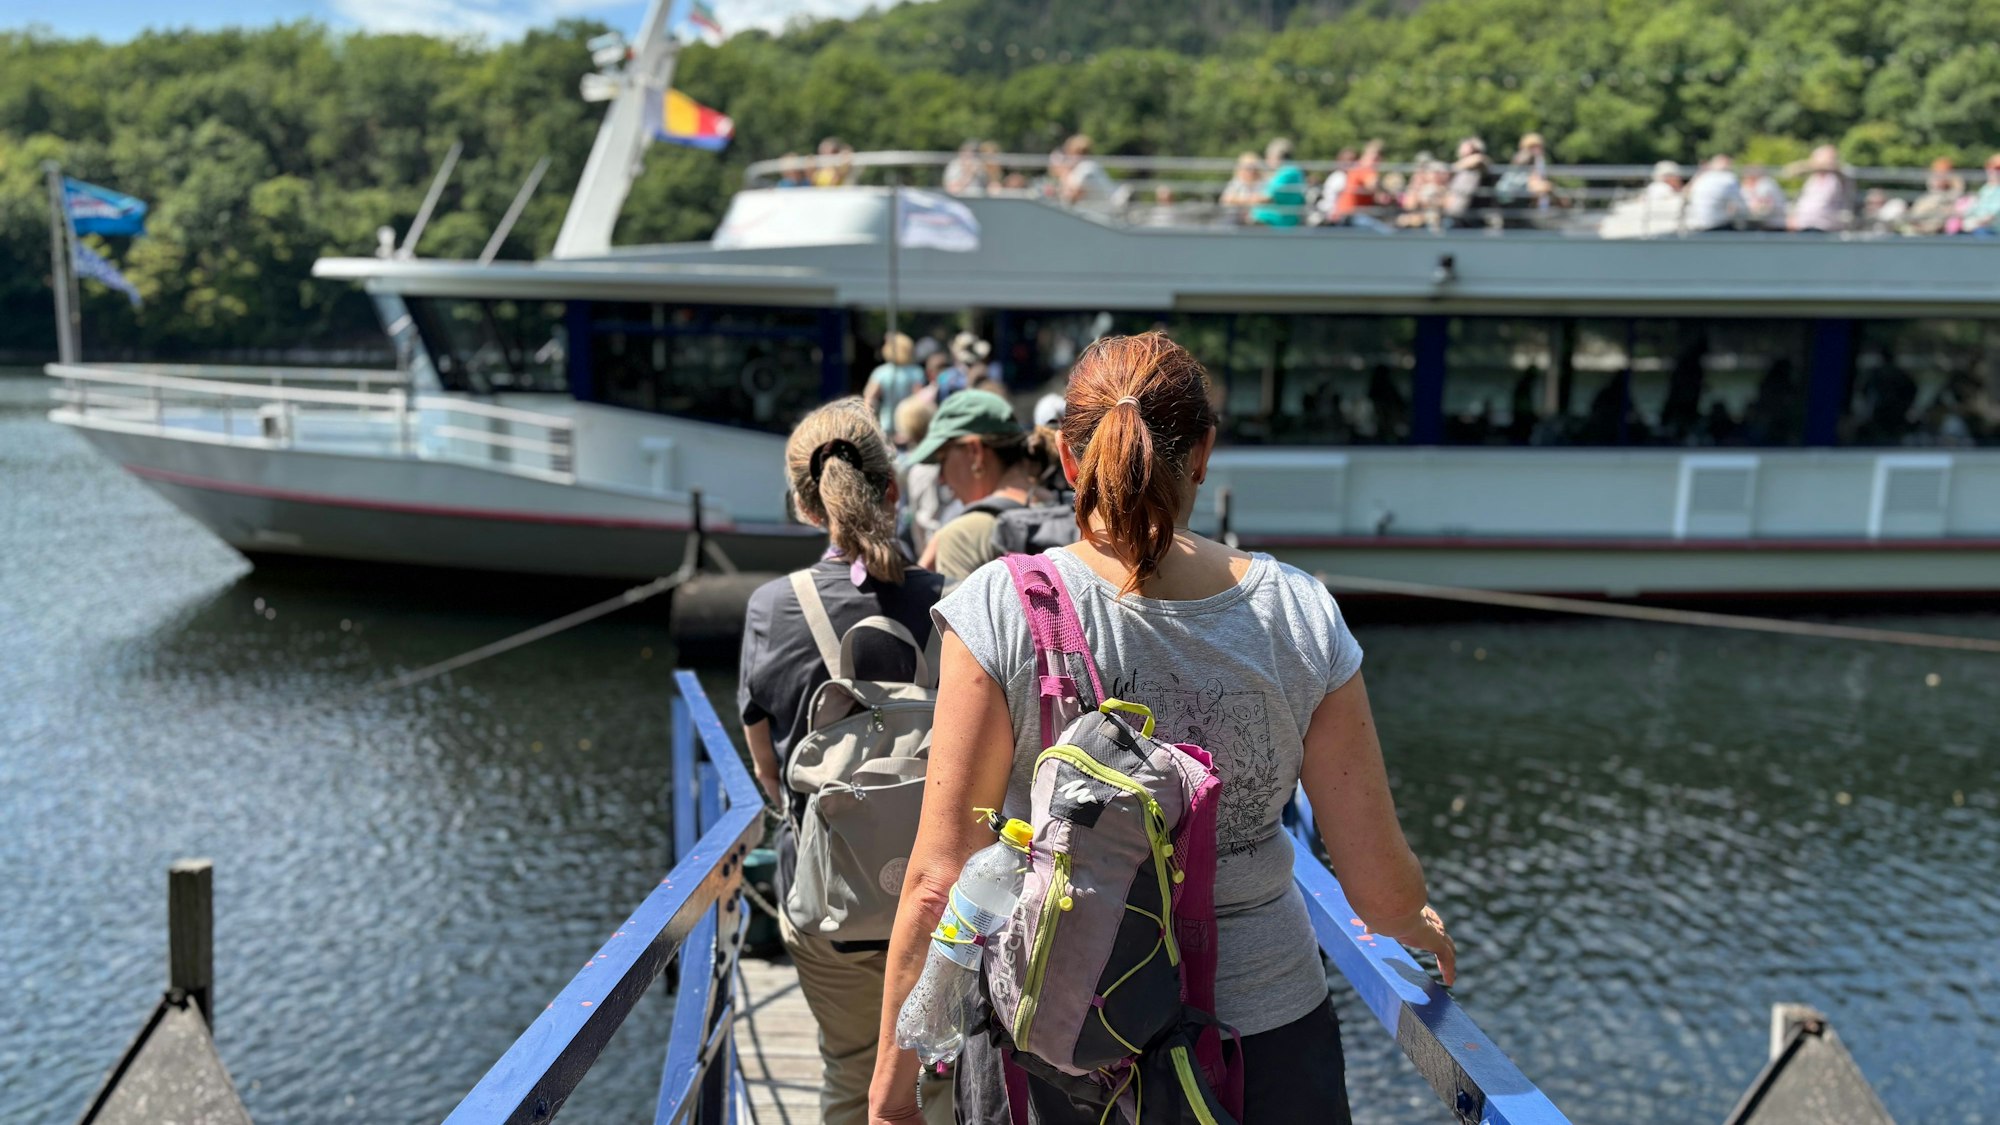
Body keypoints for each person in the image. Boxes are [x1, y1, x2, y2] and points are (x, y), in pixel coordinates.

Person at [869, 332, 1455, 1125]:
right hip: (1264, 1043)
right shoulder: (1297, 610)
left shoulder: (999, 609)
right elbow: (1376, 885)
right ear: (1204, 454)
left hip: (1057, 1038)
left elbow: (940, 880)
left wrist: (891, 1095)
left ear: (1070, 461)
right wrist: (1411, 917)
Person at [738, 399, 951, 1125]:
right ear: (891, 490)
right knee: (940, 1077)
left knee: (850, 1072)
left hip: (828, 898)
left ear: (803, 502)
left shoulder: (772, 605)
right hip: (940, 896)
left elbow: (767, 763)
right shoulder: (947, 601)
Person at [906, 389, 1060, 582]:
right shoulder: (1068, 507)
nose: (941, 479)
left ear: (975, 452)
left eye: (943, 459)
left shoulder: (962, 538)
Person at [863, 333, 925, 435]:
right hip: (909, 423)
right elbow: (919, 399)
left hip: (886, 422)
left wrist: (871, 420)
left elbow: (869, 399)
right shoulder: (916, 372)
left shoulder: (881, 372)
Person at [1786, 145, 1851, 232]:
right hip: (1803, 225)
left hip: (1824, 226)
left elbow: (1838, 169)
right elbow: (1789, 171)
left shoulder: (1837, 178)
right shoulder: (1812, 179)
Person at [1250, 137, 1308, 227]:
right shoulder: (1289, 171)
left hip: (1276, 222)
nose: (1267, 160)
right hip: (1272, 221)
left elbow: (1267, 197)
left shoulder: (1288, 172)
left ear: (1278, 156)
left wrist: (1238, 199)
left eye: (1268, 156)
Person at [1683, 154, 1749, 232]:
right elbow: (1742, 207)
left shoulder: (1701, 177)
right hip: (1714, 226)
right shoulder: (1728, 178)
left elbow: (1686, 194)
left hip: (1693, 226)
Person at [1903, 158, 1965, 235]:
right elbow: (1932, 188)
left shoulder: (1953, 188)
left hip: (1940, 214)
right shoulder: (1928, 194)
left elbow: (1956, 194)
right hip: (1924, 214)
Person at [1059, 134, 1113, 206]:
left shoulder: (1086, 168)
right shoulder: (1090, 166)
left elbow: (1073, 197)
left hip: (1097, 213)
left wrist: (1064, 174)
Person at [1958, 154, 2000, 237]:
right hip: (1976, 227)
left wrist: (1975, 223)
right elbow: (1974, 207)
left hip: (1992, 230)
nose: (1993, 171)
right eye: (1991, 167)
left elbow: (1994, 214)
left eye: (1998, 168)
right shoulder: (1985, 189)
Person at [1219, 152, 1263, 224]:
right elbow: (1226, 199)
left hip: (1255, 217)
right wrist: (1248, 201)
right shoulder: (1236, 182)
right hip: (1237, 217)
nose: (1251, 171)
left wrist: (1238, 200)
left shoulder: (1262, 183)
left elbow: (1263, 200)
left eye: (1253, 168)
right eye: (1248, 168)